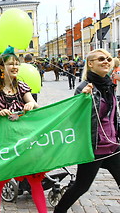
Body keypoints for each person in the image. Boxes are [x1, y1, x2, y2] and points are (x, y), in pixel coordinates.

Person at [54, 49, 120, 213]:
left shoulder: (109, 85)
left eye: (108, 58)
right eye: (101, 59)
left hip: (113, 145)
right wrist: (82, 100)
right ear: (90, 64)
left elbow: (113, 115)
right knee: (81, 187)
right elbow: (74, 118)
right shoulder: (84, 88)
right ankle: (59, 211)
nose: (106, 61)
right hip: (93, 147)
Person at [0, 48, 45, 213]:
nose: (15, 67)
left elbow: (35, 105)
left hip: (24, 139)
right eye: (11, 64)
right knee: (0, 180)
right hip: (4, 141)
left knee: (34, 179)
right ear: (2, 67)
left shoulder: (22, 86)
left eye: (17, 64)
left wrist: (31, 104)